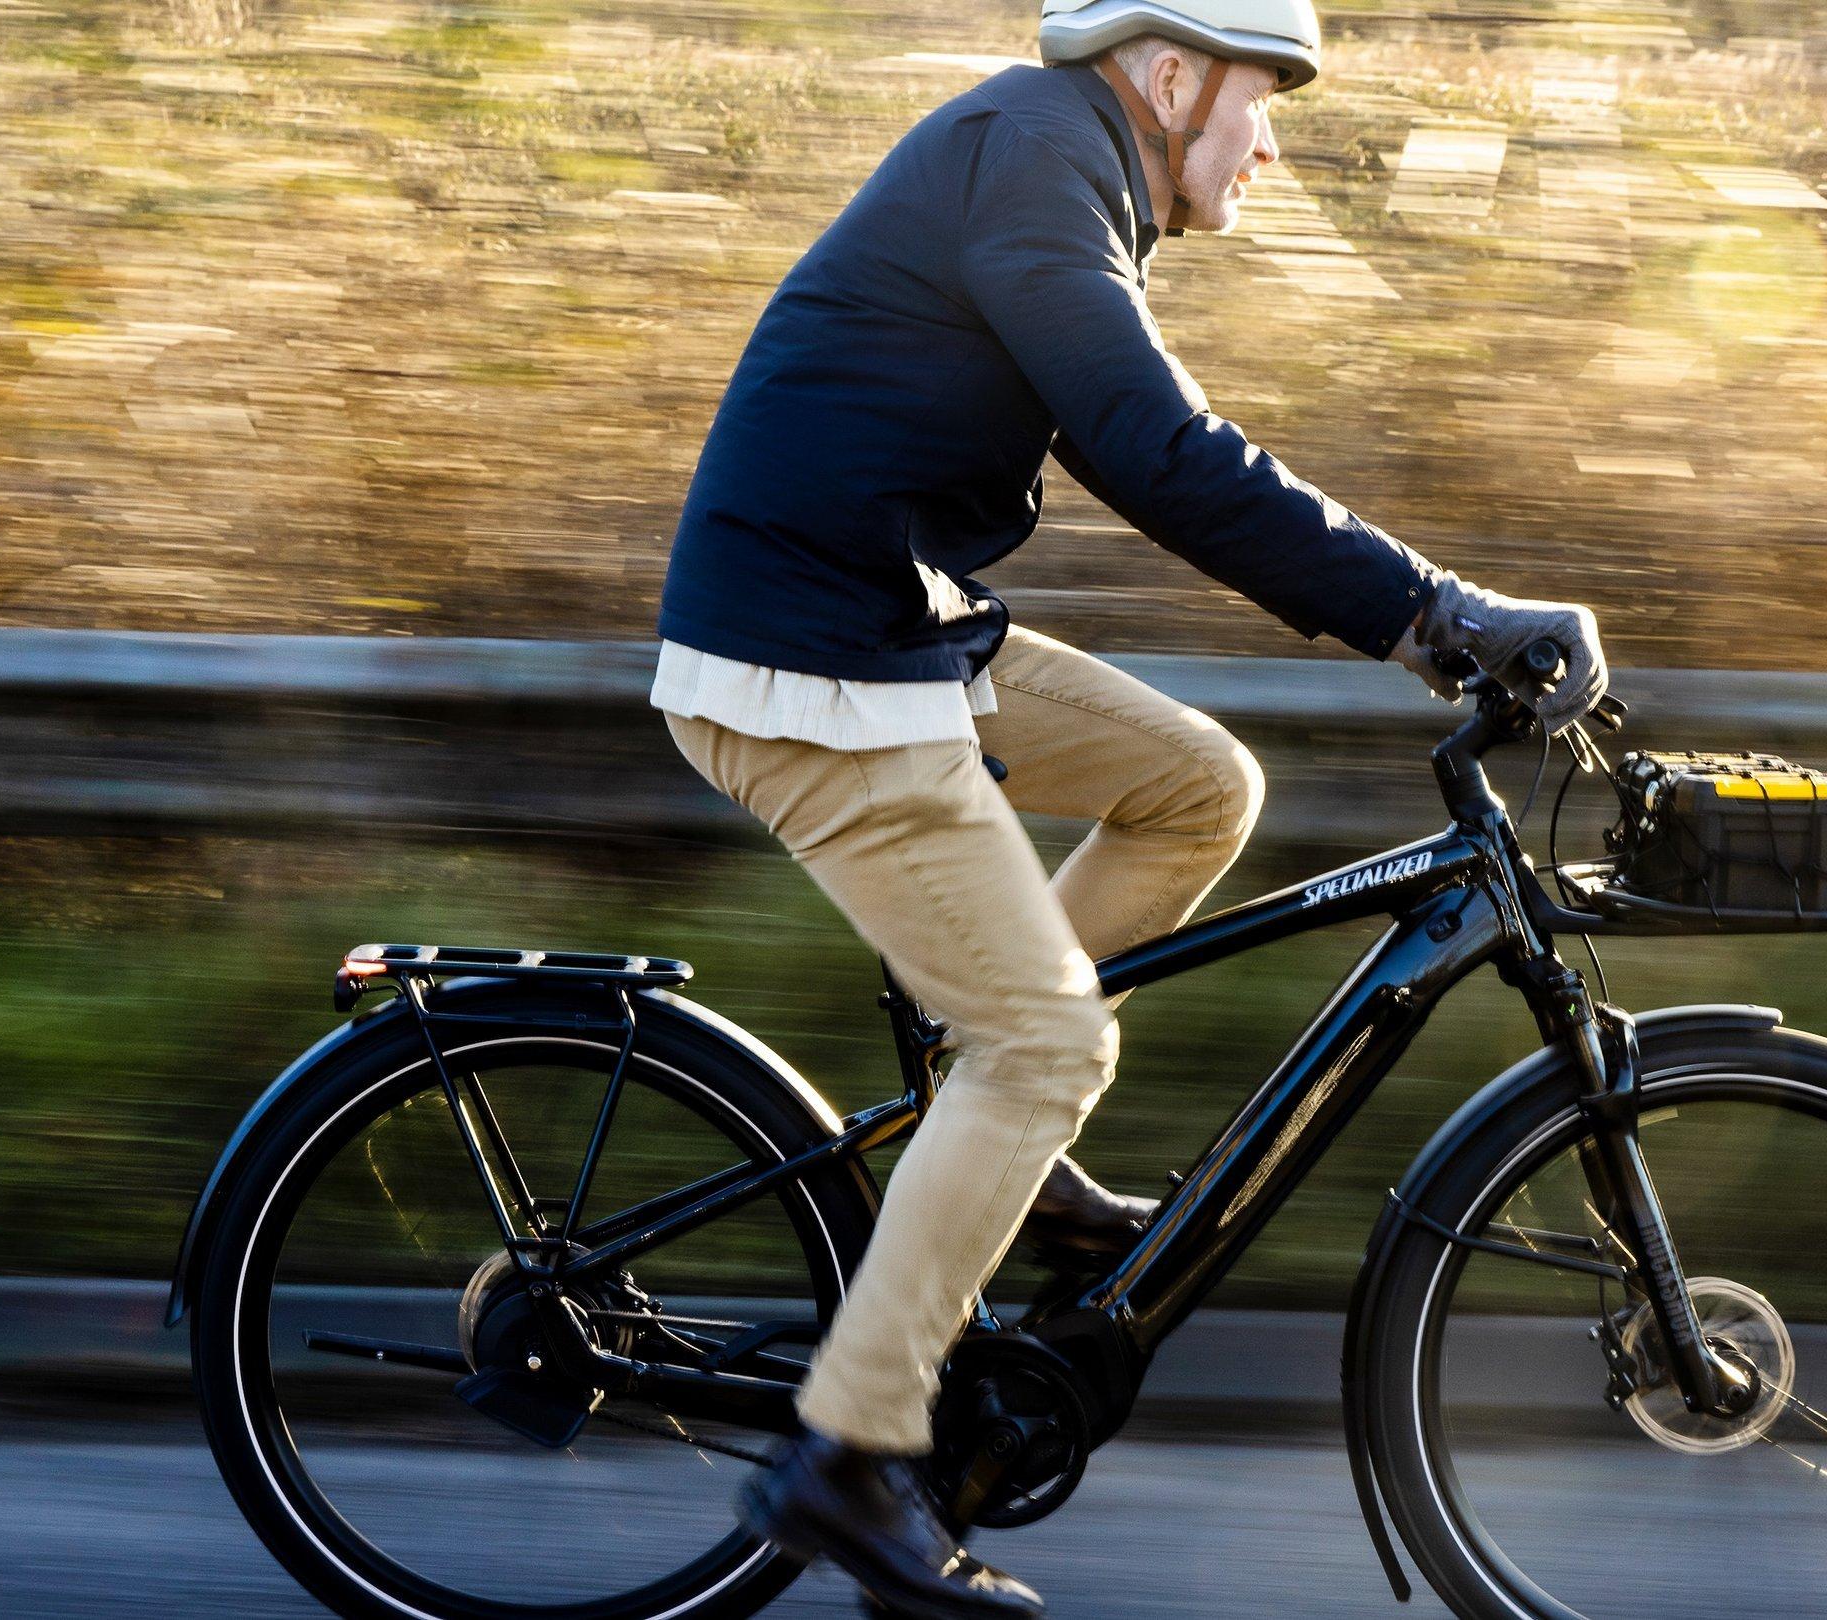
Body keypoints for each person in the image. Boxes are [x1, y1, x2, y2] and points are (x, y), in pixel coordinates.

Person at [650, 3, 1607, 1613]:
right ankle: (851, 1454)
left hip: (882, 621)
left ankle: (977, 1105)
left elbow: (1155, 453)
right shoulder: (1036, 162)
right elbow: (1165, 454)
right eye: (1264, 99)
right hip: (805, 664)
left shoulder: (1055, 168)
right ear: (1172, 78)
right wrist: (1437, 616)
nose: (1273, 140)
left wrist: (1419, 616)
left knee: (1196, 785)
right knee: (1055, 1046)